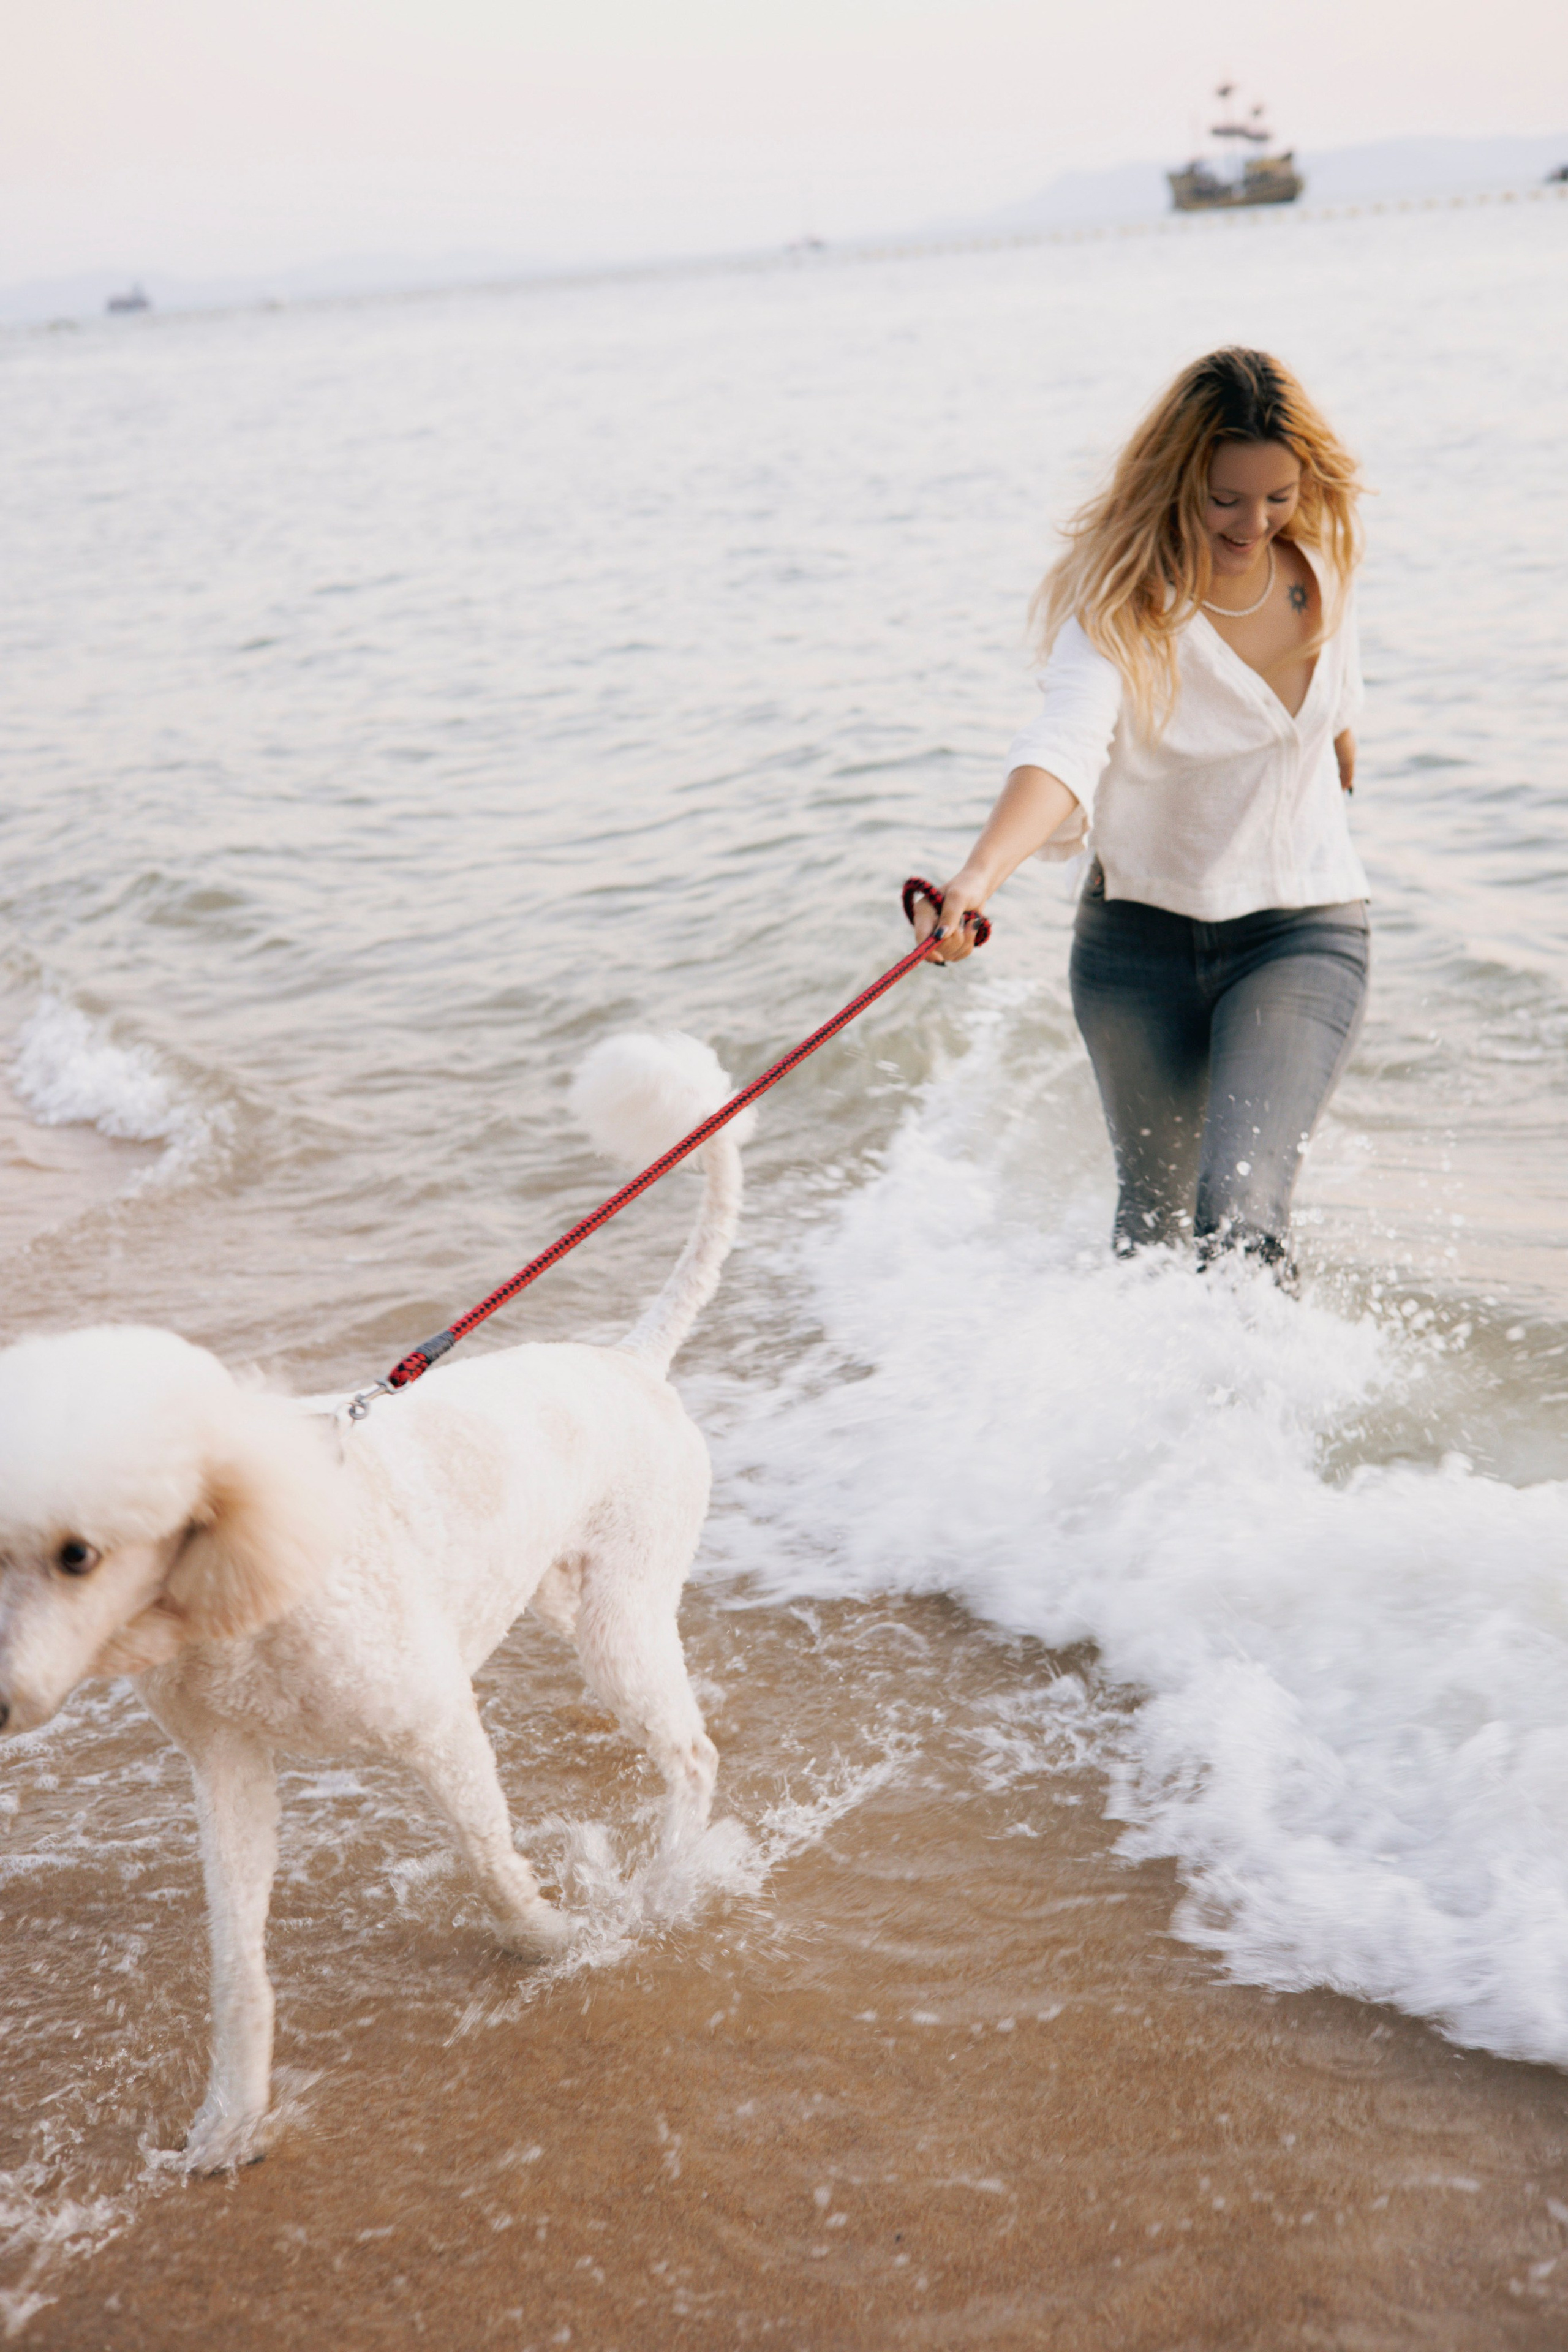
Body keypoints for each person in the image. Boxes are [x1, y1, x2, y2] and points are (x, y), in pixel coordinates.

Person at [914, 346, 1369, 1283]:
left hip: (1300, 931)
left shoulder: (1322, 565)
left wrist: (1336, 728)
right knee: (1152, 1236)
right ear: (1177, 483)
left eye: (1278, 496)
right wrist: (977, 878)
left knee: (1239, 1214)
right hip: (1136, 950)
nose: (1255, 523)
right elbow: (1063, 748)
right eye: (1225, 499)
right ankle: (1138, 1385)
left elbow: (1312, 691)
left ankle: (1269, 1386)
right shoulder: (1122, 612)